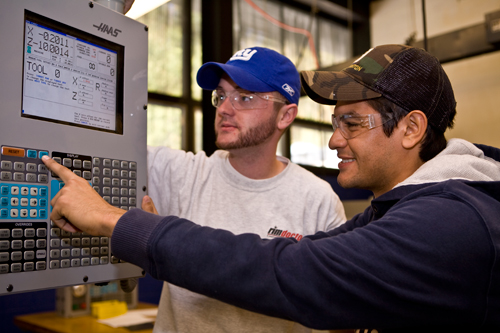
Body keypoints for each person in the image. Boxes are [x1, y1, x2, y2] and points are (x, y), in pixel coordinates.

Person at [43, 44, 500, 332]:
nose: (335, 140)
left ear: (412, 129)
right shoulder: (402, 207)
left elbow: (290, 270)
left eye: (352, 123)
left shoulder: (448, 221)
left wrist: (115, 220)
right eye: (223, 96)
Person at [97, 46, 348, 333]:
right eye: (221, 95)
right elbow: (99, 145)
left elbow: (334, 306)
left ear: (285, 116)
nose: (225, 109)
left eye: (244, 97)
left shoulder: (318, 201)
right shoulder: (181, 173)